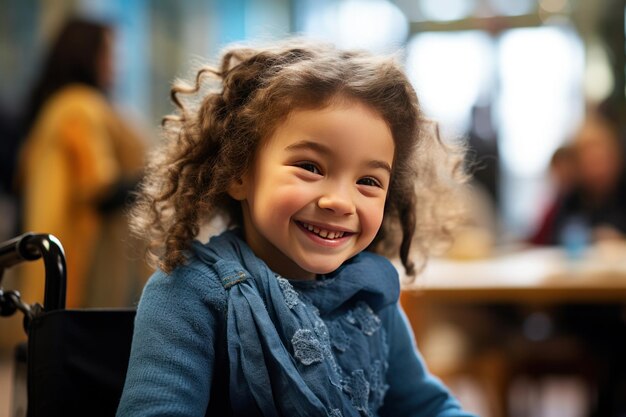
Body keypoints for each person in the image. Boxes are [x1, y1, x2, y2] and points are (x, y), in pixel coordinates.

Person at [117, 40, 474, 417]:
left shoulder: (369, 295)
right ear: (238, 172)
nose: (340, 201)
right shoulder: (188, 293)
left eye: (369, 181)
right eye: (311, 167)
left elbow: (428, 407)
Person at [15, 18, 147, 308]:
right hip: (77, 263)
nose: (116, 65)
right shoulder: (79, 106)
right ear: (88, 56)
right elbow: (98, 188)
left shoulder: (57, 105)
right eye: (110, 54)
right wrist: (161, 176)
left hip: (51, 260)